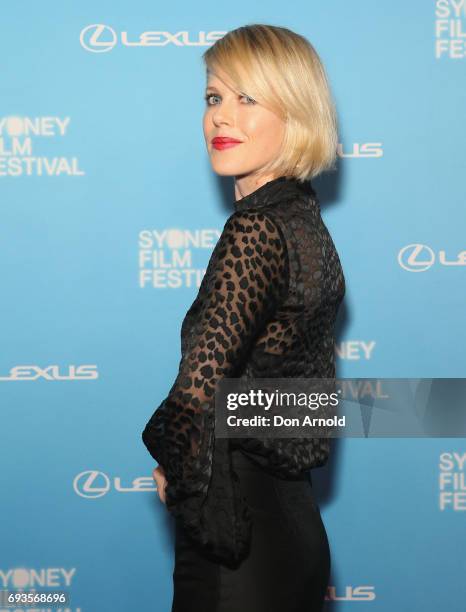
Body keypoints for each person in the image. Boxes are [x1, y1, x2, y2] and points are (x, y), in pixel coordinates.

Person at [142, 23, 346, 612]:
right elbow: (306, 400)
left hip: (239, 545)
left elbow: (197, 393)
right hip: (293, 532)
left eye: (247, 98)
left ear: (297, 111)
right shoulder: (303, 222)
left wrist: (177, 468)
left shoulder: (256, 230)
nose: (220, 118)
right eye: (214, 97)